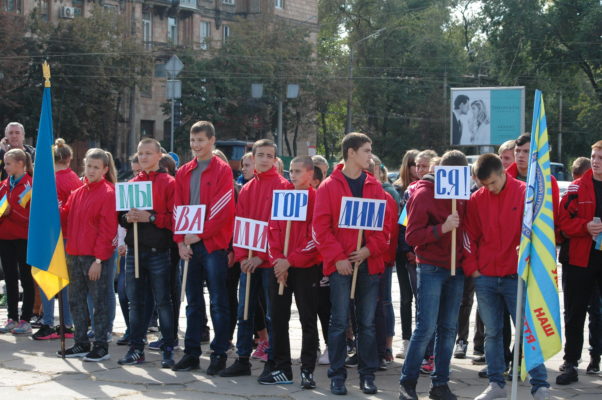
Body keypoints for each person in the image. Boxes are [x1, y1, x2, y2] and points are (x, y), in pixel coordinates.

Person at [463, 154, 550, 400]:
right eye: (484, 185)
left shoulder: (524, 193)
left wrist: (529, 254)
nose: (489, 188)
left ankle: (540, 385)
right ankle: (496, 384)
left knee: (527, 330)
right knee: (492, 332)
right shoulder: (477, 199)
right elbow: (469, 235)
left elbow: (539, 229)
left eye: (492, 182)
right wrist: (474, 269)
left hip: (516, 275)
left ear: (503, 172)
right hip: (486, 276)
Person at [313, 132, 387, 395]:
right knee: (338, 323)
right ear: (351, 153)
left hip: (368, 264)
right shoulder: (329, 186)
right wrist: (338, 258)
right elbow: (320, 228)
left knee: (367, 324)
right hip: (340, 266)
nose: (370, 155)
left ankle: (367, 375)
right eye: (366, 150)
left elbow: (383, 229)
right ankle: (337, 375)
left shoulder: (374, 186)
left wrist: (368, 249)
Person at [398, 150, 468, 400]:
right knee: (426, 327)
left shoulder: (462, 194)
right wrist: (442, 228)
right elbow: (412, 236)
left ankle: (440, 384)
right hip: (431, 267)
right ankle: (407, 384)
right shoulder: (423, 194)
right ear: (441, 172)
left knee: (448, 328)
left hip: (456, 268)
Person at [221, 139, 292, 378]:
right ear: (253, 158)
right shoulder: (247, 188)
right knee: (245, 311)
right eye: (260, 155)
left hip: (270, 262)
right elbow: (240, 224)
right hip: (249, 261)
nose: (264, 159)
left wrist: (260, 257)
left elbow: (281, 228)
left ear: (275, 159)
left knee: (273, 314)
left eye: (269, 156)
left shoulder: (284, 187)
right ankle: (242, 359)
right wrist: (242, 256)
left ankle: (273, 361)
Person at [171, 121, 235, 376]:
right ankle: (191, 353)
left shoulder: (223, 170)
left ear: (212, 141)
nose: (196, 145)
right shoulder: (184, 171)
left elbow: (223, 208)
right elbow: (178, 207)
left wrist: (199, 235)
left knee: (218, 301)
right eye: (193, 140)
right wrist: (180, 241)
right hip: (189, 245)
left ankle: (219, 353)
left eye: (201, 140)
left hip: (213, 245)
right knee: (193, 302)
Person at [259, 156, 321, 387]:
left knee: (307, 319)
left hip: (306, 269)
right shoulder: (283, 196)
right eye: (291, 171)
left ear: (310, 174)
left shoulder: (316, 198)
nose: (292, 175)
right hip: (280, 269)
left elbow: (316, 236)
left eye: (297, 171)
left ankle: (307, 369)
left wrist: (290, 261)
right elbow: (272, 231)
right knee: (277, 318)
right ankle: (282, 368)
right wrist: (278, 262)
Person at [118, 138, 176, 368]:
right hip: (134, 252)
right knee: (135, 302)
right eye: (140, 153)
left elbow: (175, 220)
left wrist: (150, 217)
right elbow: (120, 217)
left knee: (163, 301)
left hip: (158, 252)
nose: (143, 157)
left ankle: (168, 349)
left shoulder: (170, 183)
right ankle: (136, 348)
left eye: (148, 153)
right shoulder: (132, 183)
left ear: (159, 156)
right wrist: (127, 217)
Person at [56, 148, 118, 361]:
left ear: (105, 169)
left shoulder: (109, 193)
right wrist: (51, 207)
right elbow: (65, 219)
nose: (91, 170)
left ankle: (101, 345)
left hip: (94, 258)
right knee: (75, 300)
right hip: (74, 254)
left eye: (96, 167)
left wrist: (99, 260)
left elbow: (107, 231)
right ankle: (81, 342)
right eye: (89, 166)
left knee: (99, 302)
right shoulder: (77, 193)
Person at [556, 141, 602, 385]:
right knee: (575, 313)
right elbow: (562, 223)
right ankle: (570, 362)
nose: (595, 161)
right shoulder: (576, 188)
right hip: (579, 259)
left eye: (600, 158)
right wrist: (585, 227)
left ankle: (596, 357)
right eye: (593, 156)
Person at [32, 139, 82, 340]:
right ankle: (67, 324)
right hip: (71, 235)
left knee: (48, 278)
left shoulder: (51, 180)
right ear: (69, 159)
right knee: (65, 282)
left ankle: (48, 322)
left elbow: (48, 211)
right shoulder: (75, 179)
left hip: (54, 236)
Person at [0, 149, 34, 335]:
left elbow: (31, 217)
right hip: (4, 238)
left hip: (23, 238)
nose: (5, 167)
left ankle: (26, 319)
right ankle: (12, 317)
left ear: (20, 164)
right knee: (10, 278)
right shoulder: (3, 185)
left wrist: (11, 212)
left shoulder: (31, 185)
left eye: (8, 163)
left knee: (26, 278)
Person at [393, 149, 419, 359]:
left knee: (422, 300)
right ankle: (406, 340)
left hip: (422, 255)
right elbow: (401, 225)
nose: (418, 169)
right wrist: (407, 250)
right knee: (405, 299)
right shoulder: (400, 190)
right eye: (414, 165)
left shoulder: (428, 188)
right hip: (404, 254)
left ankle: (422, 344)